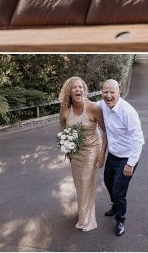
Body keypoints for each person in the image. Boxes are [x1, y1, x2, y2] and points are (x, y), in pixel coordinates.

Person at [58, 77, 106, 232]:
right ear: (69, 92)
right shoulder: (65, 109)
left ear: (84, 90)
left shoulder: (93, 108)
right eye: (74, 88)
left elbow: (107, 132)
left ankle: (86, 219)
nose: (78, 90)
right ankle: (83, 209)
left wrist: (102, 155)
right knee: (79, 183)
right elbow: (63, 130)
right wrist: (67, 149)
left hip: (93, 148)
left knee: (86, 182)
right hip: (75, 152)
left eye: (80, 87)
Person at [97, 79, 144, 237]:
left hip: (127, 158)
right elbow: (87, 105)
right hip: (113, 154)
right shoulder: (102, 104)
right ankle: (116, 206)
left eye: (112, 92)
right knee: (108, 183)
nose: (108, 95)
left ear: (119, 92)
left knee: (118, 191)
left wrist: (130, 164)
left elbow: (138, 140)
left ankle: (120, 219)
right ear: (101, 92)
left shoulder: (128, 112)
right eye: (105, 92)